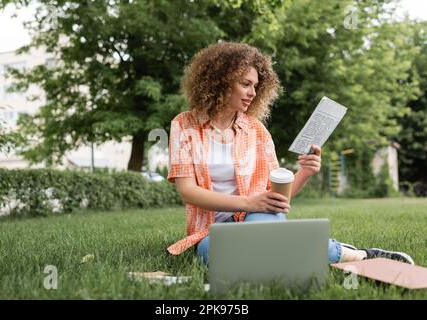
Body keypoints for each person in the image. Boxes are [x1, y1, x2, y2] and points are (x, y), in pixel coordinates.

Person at [166, 42, 414, 266]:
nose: (253, 92)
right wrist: (248, 202)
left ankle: (353, 255)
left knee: (259, 241)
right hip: (211, 230)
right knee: (213, 254)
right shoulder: (184, 125)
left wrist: (305, 171)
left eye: (255, 86)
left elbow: (278, 198)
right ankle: (350, 255)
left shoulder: (257, 131)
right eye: (245, 84)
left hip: (256, 217)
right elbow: (188, 192)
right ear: (220, 81)